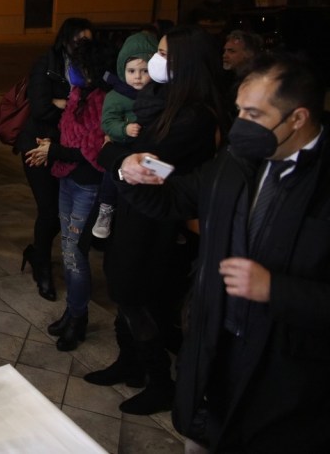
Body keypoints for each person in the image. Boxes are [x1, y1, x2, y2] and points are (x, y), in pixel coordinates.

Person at [116, 52, 328, 451]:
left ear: (297, 118)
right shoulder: (237, 159)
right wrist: (131, 171)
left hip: (288, 378)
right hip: (216, 349)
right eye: (239, 111)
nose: (239, 125)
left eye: (253, 114)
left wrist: (275, 289)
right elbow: (179, 196)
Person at [93, 25, 224, 415]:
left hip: (158, 221)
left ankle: (159, 381)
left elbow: (151, 165)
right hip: (134, 207)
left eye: (164, 55)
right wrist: (121, 156)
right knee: (122, 288)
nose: (155, 62)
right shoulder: (158, 99)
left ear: (187, 63)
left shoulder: (195, 116)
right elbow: (125, 155)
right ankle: (128, 362)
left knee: (138, 297)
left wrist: (117, 155)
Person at [26, 39, 113, 351]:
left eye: (77, 65)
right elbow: (67, 135)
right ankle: (73, 312)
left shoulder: (104, 101)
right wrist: (50, 145)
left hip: (88, 184)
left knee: (76, 254)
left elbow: (91, 151)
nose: (71, 70)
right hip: (68, 179)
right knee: (67, 249)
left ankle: (78, 318)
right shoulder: (77, 94)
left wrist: (54, 150)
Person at [16, 18, 93, 300]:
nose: (83, 46)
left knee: (61, 215)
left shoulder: (89, 66)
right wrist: (72, 106)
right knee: (48, 210)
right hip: (37, 146)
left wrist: (62, 103)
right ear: (65, 39)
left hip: (65, 148)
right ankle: (43, 268)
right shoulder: (46, 63)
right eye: (78, 40)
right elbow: (40, 109)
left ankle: (37, 252)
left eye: (88, 41)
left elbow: (93, 110)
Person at [93, 30, 158, 238]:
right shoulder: (117, 95)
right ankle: (106, 207)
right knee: (113, 176)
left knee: (158, 180)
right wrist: (124, 129)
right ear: (122, 70)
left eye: (144, 70)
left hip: (150, 154)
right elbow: (107, 122)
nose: (137, 77)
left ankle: (167, 224)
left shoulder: (160, 94)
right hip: (122, 147)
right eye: (131, 71)